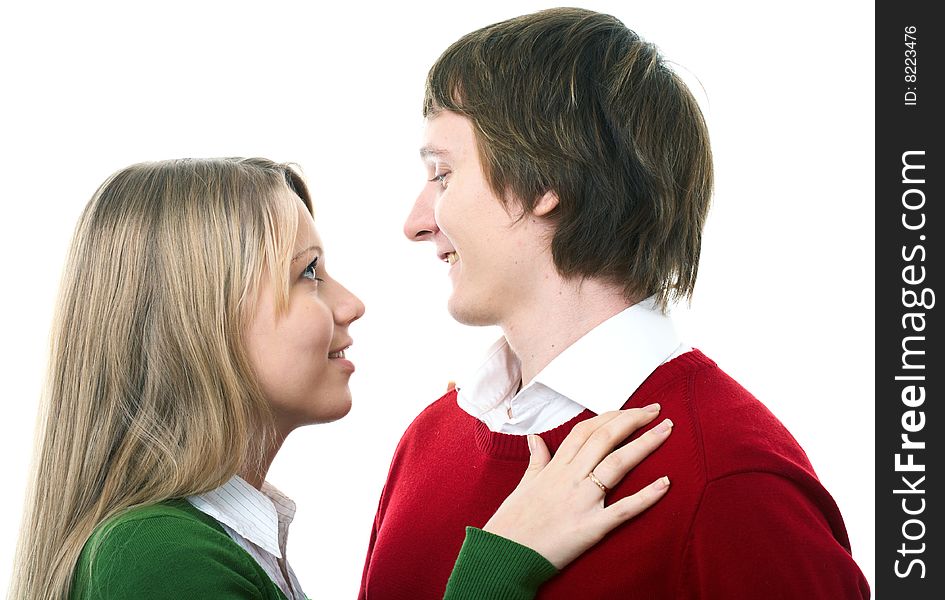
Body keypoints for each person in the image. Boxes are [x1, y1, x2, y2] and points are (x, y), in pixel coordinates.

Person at [359, 7, 870, 599]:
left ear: (543, 180)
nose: (416, 223)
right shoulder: (428, 442)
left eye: (443, 173)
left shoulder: (733, 478)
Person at [8, 158, 674, 600]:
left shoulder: (213, 540)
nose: (349, 303)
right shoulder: (158, 557)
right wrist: (502, 560)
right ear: (198, 317)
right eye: (307, 274)